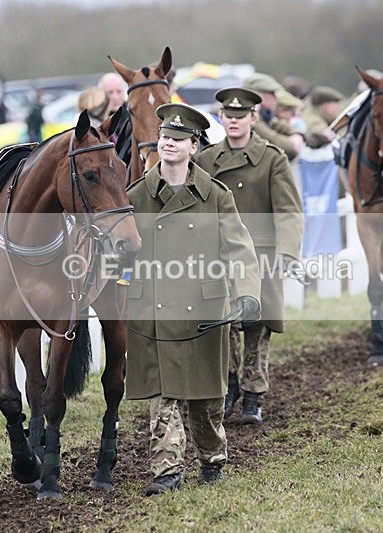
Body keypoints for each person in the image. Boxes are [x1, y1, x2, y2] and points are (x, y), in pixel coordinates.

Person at [125, 102, 261, 495]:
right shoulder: (136, 197)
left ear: (194, 147)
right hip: (154, 312)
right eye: (166, 136)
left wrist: (248, 294)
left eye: (178, 139)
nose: (169, 143)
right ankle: (166, 472)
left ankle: (212, 459)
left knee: (205, 403)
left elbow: (240, 249)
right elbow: (117, 253)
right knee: (162, 398)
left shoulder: (215, 196)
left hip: (205, 313)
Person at [194, 87, 304, 425]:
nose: (234, 122)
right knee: (222, 327)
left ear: (254, 119)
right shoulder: (207, 159)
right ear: (222, 118)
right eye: (229, 116)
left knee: (257, 328)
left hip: (261, 256)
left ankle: (254, 395)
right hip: (219, 256)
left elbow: (288, 210)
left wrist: (286, 252)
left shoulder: (272, 158)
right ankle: (227, 388)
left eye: (241, 116)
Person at [243, 73, 304, 161]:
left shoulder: (264, 114)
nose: (276, 97)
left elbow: (278, 124)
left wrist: (296, 134)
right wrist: (292, 144)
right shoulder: (249, 114)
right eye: (271, 93)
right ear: (258, 95)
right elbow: (271, 138)